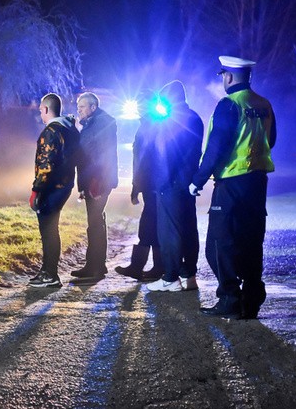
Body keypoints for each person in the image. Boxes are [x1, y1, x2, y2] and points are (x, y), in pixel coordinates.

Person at [191, 56, 276, 319]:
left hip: (231, 182)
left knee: (219, 243)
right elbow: (270, 140)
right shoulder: (263, 104)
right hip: (258, 182)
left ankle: (229, 298)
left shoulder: (228, 104)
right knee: (251, 240)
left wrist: (198, 179)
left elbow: (217, 147)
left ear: (228, 76)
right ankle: (251, 298)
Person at [145, 80, 203, 292]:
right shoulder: (195, 118)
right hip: (188, 182)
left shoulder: (168, 121)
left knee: (169, 231)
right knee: (188, 228)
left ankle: (171, 277)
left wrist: (160, 182)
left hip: (169, 183)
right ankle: (190, 275)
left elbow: (163, 153)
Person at [28, 93, 81, 288]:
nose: (40, 113)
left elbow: (46, 165)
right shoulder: (71, 130)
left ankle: (50, 274)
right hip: (66, 185)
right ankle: (48, 272)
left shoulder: (51, 132)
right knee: (52, 229)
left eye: (41, 110)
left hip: (51, 188)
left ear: (46, 109)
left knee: (48, 230)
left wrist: (36, 191)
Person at [115, 89, 164, 281]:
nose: (139, 108)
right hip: (152, 185)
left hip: (153, 185)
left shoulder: (150, 126)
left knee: (148, 226)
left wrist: (137, 186)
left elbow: (143, 161)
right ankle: (150, 267)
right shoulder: (149, 124)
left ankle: (143, 267)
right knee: (151, 226)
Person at [71, 91, 118, 280]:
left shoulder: (101, 124)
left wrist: (97, 181)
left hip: (98, 181)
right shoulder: (91, 124)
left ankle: (94, 267)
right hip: (93, 180)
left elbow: (102, 154)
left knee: (95, 223)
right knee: (96, 222)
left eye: (82, 107)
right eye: (78, 107)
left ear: (93, 107)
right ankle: (98, 264)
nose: (79, 111)